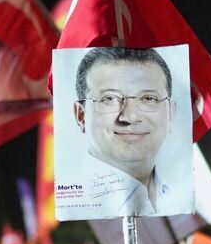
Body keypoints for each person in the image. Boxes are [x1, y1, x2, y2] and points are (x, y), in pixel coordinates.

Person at [72, 47, 178, 216]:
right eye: (109, 99)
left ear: (170, 113)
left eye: (148, 98)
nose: (130, 116)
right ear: (81, 115)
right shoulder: (75, 209)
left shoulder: (179, 198)